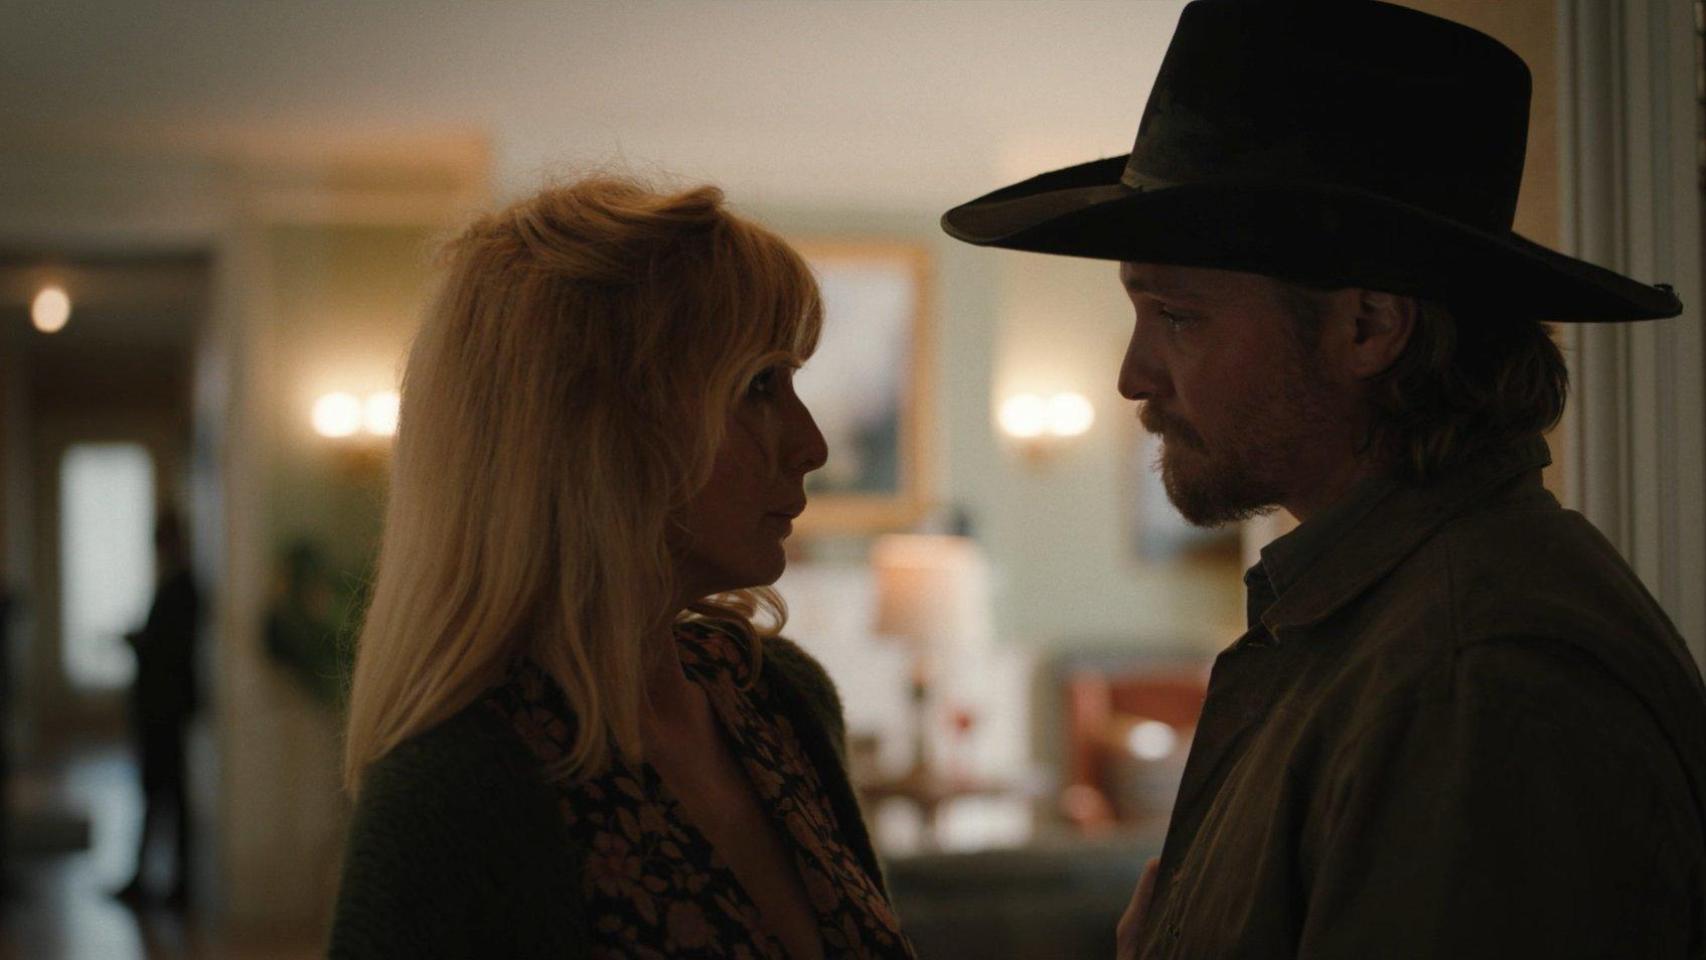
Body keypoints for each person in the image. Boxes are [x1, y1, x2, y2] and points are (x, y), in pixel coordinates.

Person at [941, 2, 1706, 957]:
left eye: (1177, 316)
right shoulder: (1385, 618)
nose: (1134, 376)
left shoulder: (1477, 675)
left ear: (1368, 328)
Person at [330, 176, 914, 959]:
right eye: (757, 385)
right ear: (598, 432)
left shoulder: (777, 698)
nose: (812, 445)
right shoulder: (458, 789)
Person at [115, 507, 201, 910]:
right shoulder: (177, 585)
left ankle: (169, 882)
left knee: (165, 795)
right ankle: (158, 879)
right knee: (162, 795)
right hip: (164, 708)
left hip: (164, 710)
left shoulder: (181, 587)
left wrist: (140, 643)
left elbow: (168, 649)